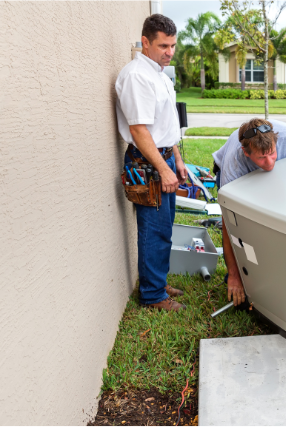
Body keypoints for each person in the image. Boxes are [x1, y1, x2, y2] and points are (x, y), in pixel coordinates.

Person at [115, 14, 188, 312]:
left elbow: (164, 125)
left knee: (165, 227)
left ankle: (156, 281)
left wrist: (178, 160)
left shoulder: (159, 73)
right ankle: (152, 295)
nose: (169, 52)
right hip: (147, 161)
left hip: (164, 157)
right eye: (163, 45)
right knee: (153, 229)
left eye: (172, 45)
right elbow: (139, 131)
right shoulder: (137, 76)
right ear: (145, 42)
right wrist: (163, 167)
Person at [213, 118, 286, 306]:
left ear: (277, 143)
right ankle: (242, 276)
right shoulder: (234, 164)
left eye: (272, 153)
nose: (269, 162)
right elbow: (228, 223)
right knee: (246, 226)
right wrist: (234, 276)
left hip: (281, 175)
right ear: (246, 152)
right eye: (261, 157)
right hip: (240, 179)